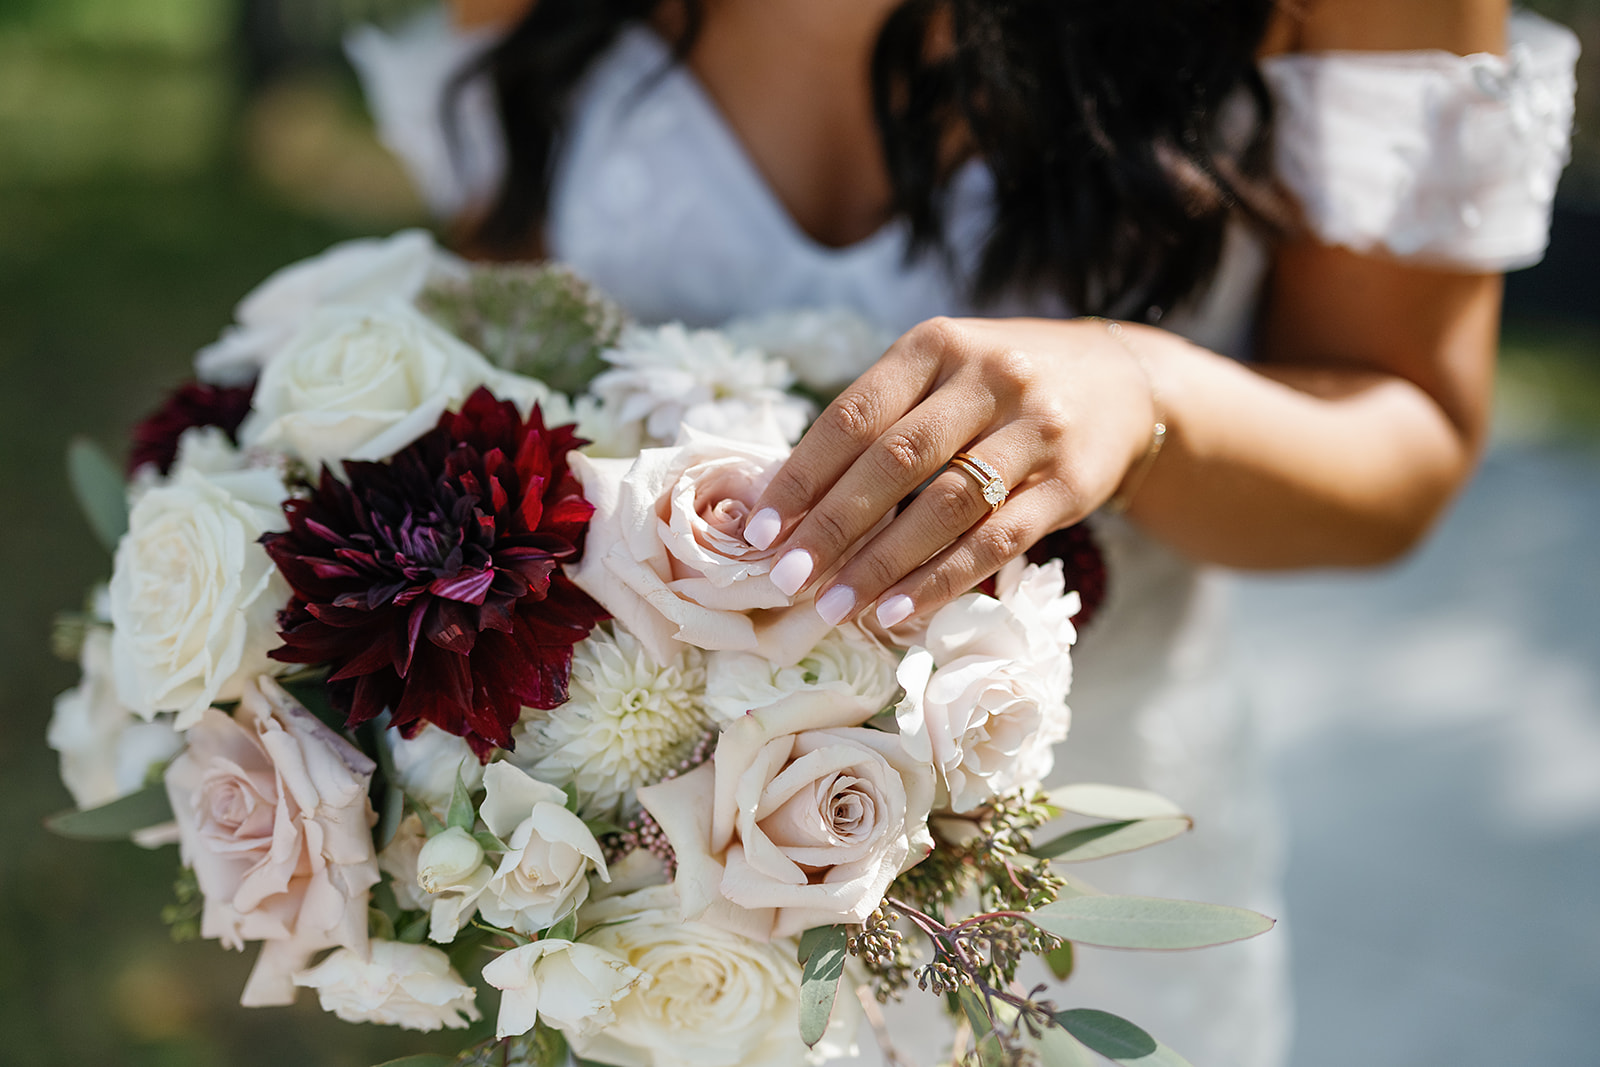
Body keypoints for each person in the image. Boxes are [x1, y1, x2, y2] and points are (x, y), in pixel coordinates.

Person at [349, 1, 1579, 1064]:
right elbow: (517, 355)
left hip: (1070, 904)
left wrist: (1146, 398)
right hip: (645, 925)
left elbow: (1404, 431)